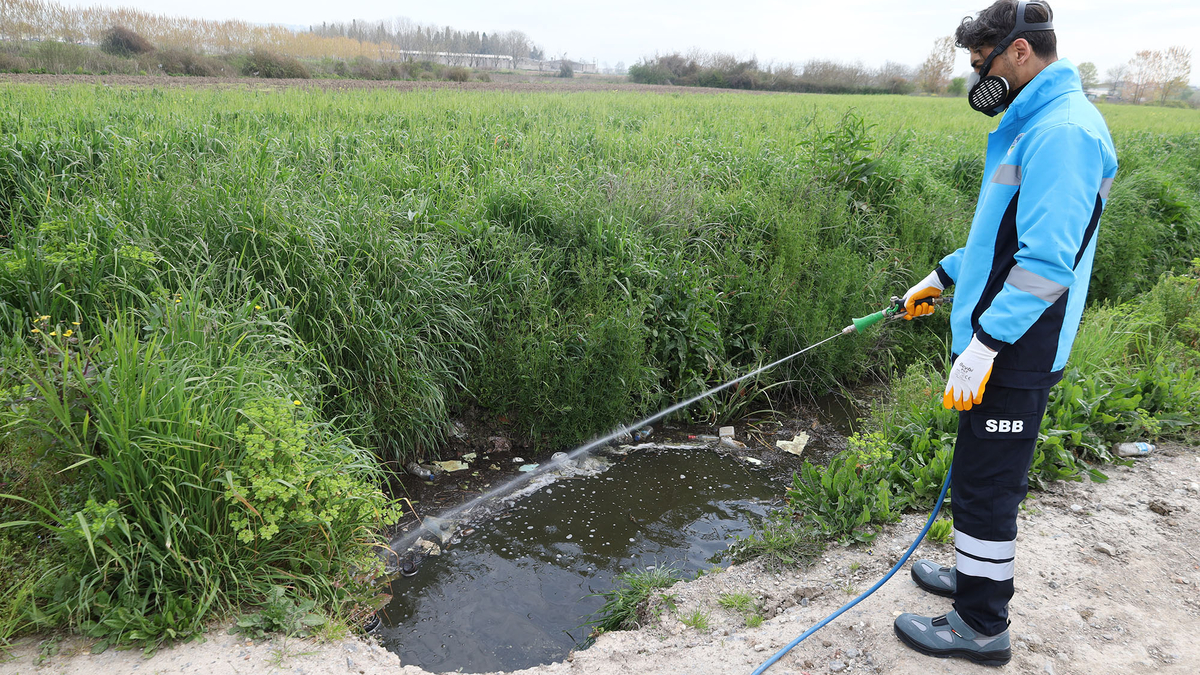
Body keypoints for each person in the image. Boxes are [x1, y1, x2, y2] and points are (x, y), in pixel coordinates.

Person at [891, 0, 1118, 666]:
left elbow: (1047, 263)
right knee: (975, 472)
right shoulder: (1037, 121)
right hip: (999, 338)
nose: (975, 78)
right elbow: (1002, 242)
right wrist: (941, 275)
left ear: (1019, 53)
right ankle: (973, 578)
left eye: (978, 63)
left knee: (989, 487)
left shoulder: (1065, 131)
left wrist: (986, 345)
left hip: (1020, 345)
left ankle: (982, 624)